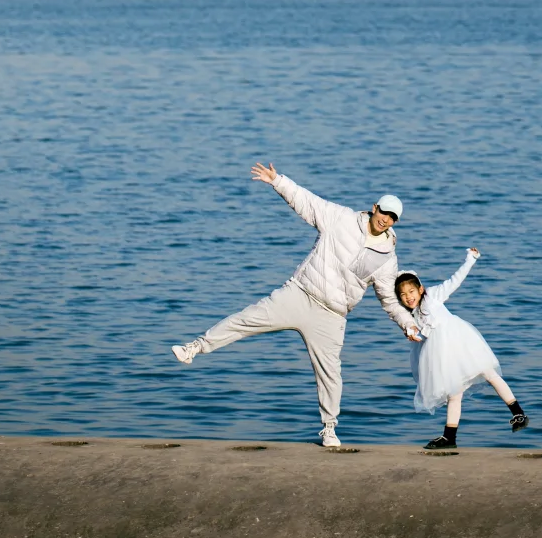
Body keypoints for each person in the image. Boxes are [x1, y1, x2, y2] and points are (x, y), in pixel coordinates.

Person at [171, 162, 419, 448]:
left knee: (330, 374)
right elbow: (307, 202)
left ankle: (329, 429)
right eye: (384, 213)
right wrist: (278, 181)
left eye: (392, 218)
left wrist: (407, 323)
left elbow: (389, 299)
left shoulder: (387, 257)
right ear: (374, 207)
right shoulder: (340, 218)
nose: (386, 220)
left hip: (332, 315)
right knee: (246, 320)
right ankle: (195, 347)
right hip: (299, 294)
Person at [395, 247, 529, 450]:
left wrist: (470, 259)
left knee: (488, 373)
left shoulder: (433, 296)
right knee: (454, 393)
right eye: (403, 295)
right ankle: (450, 436)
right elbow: (425, 334)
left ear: (420, 289)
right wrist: (414, 334)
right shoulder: (412, 315)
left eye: (411, 291)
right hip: (441, 353)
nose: (408, 297)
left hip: (459, 341)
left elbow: (454, 281)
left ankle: (518, 414)